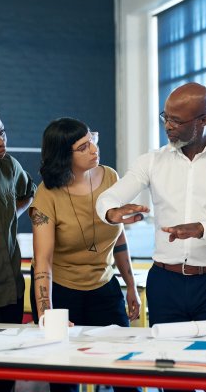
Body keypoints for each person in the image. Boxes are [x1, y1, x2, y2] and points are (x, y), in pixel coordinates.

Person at [96, 82, 206, 330]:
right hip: (165, 282)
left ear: (203, 120)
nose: (168, 126)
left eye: (177, 121)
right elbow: (106, 198)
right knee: (166, 361)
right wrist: (111, 212)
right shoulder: (151, 162)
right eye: (165, 117)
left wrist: (202, 229)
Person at [29, 118, 141, 392]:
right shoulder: (47, 194)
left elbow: (119, 237)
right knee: (65, 381)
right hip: (62, 291)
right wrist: (47, 314)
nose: (94, 150)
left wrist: (131, 287)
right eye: (83, 147)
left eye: (92, 140)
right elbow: (42, 260)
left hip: (104, 286)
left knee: (127, 374)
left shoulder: (111, 177)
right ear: (64, 155)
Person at [0, 101, 36, 392]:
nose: (0, 142)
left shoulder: (9, 166)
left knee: (2, 376)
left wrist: (8, 214)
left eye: (2, 133)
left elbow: (29, 192)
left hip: (12, 290)